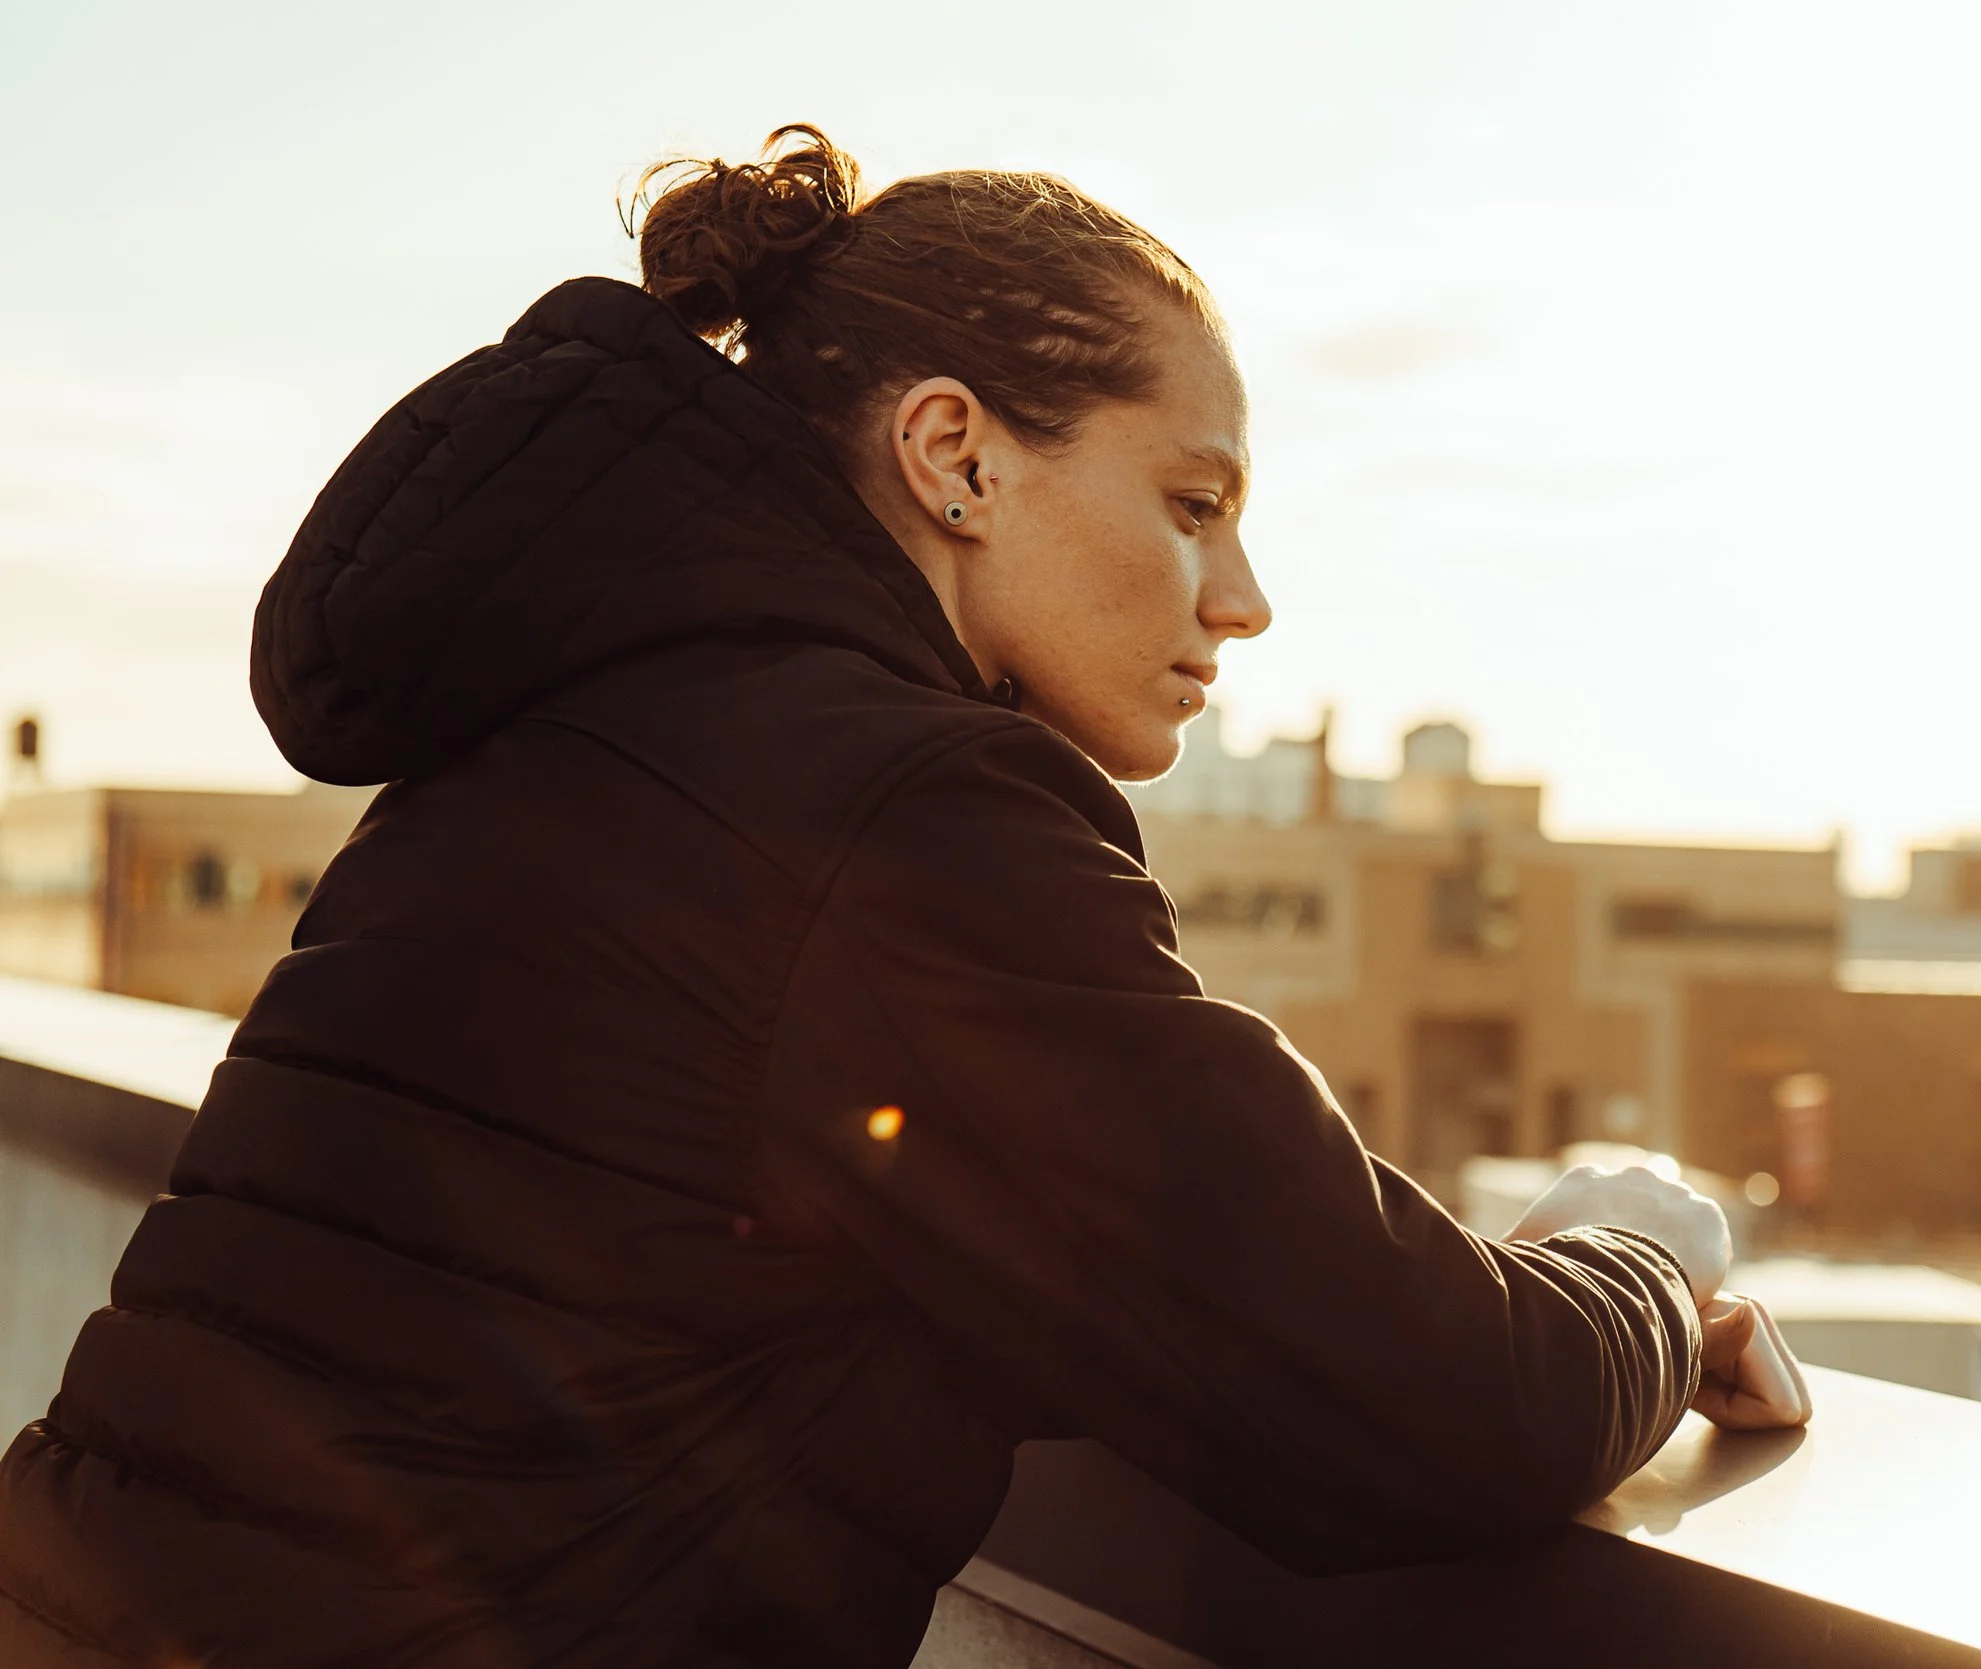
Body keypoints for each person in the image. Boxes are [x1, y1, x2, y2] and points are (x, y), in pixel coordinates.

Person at [0, 125, 1807, 1667]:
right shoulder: (896, 816)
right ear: (954, 456)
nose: (1242, 597)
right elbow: (1430, 1410)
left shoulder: (580, 727)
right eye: (1193, 503)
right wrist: (1642, 1249)